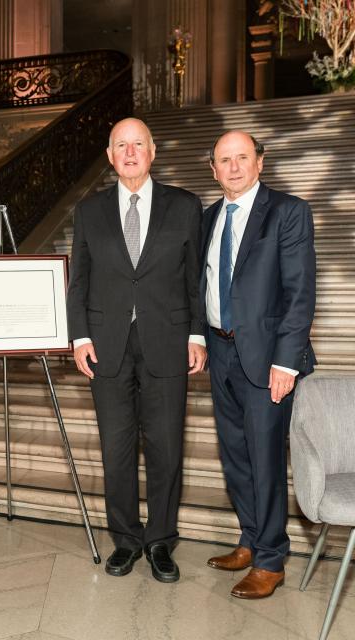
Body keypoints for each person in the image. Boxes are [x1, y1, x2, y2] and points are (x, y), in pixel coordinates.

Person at [66, 117, 206, 583]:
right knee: (116, 451)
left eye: (137, 144)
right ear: (109, 156)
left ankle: (161, 541)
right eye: (120, 145)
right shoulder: (89, 211)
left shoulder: (185, 207)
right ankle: (126, 540)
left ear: (153, 151)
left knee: (166, 449)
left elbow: (195, 280)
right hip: (107, 347)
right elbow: (79, 280)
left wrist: (197, 334)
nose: (129, 152)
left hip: (167, 342)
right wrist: (80, 336)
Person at [202, 131, 315, 599]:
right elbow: (201, 284)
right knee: (236, 457)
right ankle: (249, 538)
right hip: (220, 351)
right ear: (213, 169)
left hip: (267, 357)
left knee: (266, 458)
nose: (233, 167)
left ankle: (271, 558)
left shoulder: (287, 212)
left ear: (260, 162)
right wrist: (198, 337)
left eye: (241, 158)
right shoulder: (208, 217)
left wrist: (286, 362)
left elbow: (299, 292)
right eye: (224, 160)